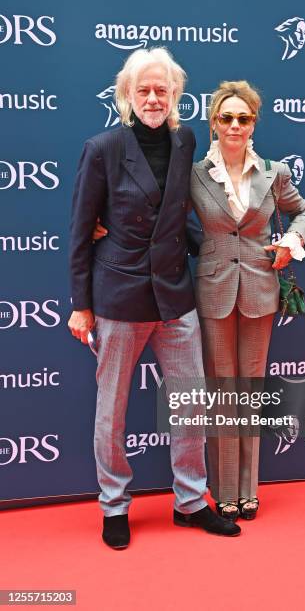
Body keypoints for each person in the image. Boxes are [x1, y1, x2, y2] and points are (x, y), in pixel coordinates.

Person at [68, 48, 240, 549]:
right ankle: (114, 505)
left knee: (189, 403)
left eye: (161, 90)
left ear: (175, 96)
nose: (152, 98)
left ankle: (190, 502)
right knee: (112, 409)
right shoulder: (100, 149)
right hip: (119, 297)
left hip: (175, 295)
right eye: (143, 89)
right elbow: (81, 231)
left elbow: (180, 212)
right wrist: (81, 304)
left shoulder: (185, 140)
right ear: (126, 95)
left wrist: (220, 249)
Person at [190, 81, 305, 521]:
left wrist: (292, 241)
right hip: (214, 291)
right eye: (227, 118)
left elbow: (303, 211)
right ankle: (223, 489)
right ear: (214, 124)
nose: (235, 125)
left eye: (243, 118)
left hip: (260, 290)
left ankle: (248, 488)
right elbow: (163, 217)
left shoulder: (274, 173)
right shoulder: (196, 174)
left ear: (254, 122)